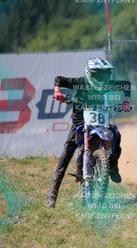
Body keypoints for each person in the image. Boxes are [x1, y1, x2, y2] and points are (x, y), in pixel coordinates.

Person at [45, 58, 131, 208]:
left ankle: (113, 166)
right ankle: (52, 194)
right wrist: (57, 92)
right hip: (80, 120)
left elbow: (126, 85)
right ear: (89, 74)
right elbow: (59, 79)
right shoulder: (80, 82)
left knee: (115, 134)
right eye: (98, 75)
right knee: (68, 150)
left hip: (99, 119)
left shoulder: (107, 84)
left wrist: (126, 101)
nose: (102, 79)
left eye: (104, 75)